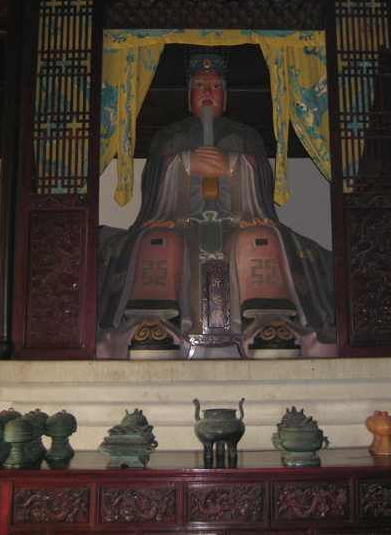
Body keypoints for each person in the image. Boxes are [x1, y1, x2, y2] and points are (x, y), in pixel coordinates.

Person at [97, 53, 335, 358]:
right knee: (159, 241)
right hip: (178, 221)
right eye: (199, 86)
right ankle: (153, 322)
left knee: (260, 239)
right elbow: (153, 182)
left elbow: (263, 181)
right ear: (189, 98)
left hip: (238, 220)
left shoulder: (245, 135)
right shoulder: (168, 136)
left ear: (225, 99)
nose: (207, 92)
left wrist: (234, 165)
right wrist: (183, 163)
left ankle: (268, 321)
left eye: (215, 87)